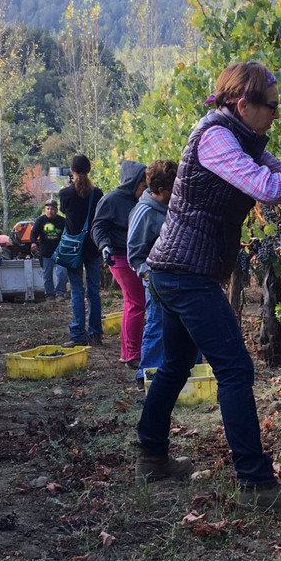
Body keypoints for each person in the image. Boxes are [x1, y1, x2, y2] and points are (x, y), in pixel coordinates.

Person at [135, 60, 281, 511]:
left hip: (176, 270)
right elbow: (264, 187)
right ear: (243, 104)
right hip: (186, 274)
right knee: (236, 370)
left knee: (175, 365)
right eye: (272, 107)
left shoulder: (241, 137)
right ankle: (256, 484)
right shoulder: (216, 138)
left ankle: (151, 456)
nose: (276, 116)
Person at [126, 159, 178, 389]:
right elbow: (134, 253)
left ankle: (186, 372)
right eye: (174, 188)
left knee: (185, 326)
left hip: (180, 277)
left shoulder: (174, 206)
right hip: (156, 279)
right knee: (157, 326)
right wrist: (148, 276)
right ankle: (145, 376)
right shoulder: (144, 212)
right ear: (161, 190)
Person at [92, 160, 148, 366]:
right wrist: (104, 246)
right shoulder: (111, 200)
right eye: (143, 186)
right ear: (132, 183)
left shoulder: (142, 200)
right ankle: (133, 354)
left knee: (131, 303)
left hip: (136, 255)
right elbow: (98, 227)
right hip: (119, 256)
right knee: (137, 303)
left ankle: (128, 352)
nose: (145, 191)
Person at [59, 155, 104, 346]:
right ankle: (96, 333)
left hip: (73, 248)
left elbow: (65, 212)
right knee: (94, 291)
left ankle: (78, 334)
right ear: (90, 169)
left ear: (71, 171)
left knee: (77, 290)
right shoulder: (98, 194)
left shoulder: (65, 194)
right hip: (93, 246)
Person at [31, 199, 68, 300]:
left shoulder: (62, 221)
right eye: (48, 209)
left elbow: (68, 234)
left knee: (62, 273)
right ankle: (49, 294)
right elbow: (33, 233)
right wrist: (33, 243)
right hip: (46, 252)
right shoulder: (40, 220)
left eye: (52, 209)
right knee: (47, 274)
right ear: (45, 209)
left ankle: (60, 293)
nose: (50, 211)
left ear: (56, 210)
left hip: (60, 251)